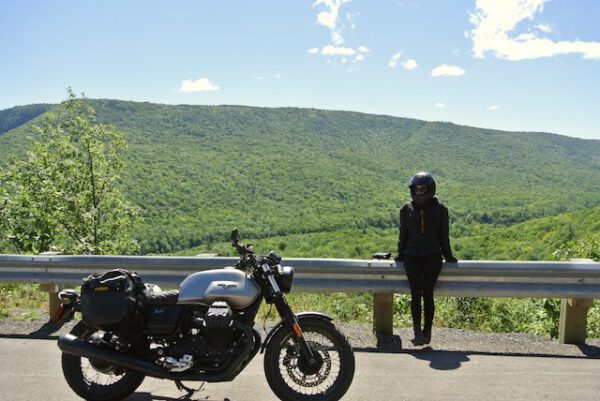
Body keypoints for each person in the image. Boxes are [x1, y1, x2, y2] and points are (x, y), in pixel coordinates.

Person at [396, 172, 457, 346]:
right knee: (416, 294)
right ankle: (417, 332)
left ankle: (427, 331)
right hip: (411, 256)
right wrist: (400, 254)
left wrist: (449, 255)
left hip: (432, 255)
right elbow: (403, 235)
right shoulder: (406, 209)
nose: (420, 192)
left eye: (423, 189)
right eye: (417, 188)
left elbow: (443, 235)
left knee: (427, 294)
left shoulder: (441, 209)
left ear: (430, 189)